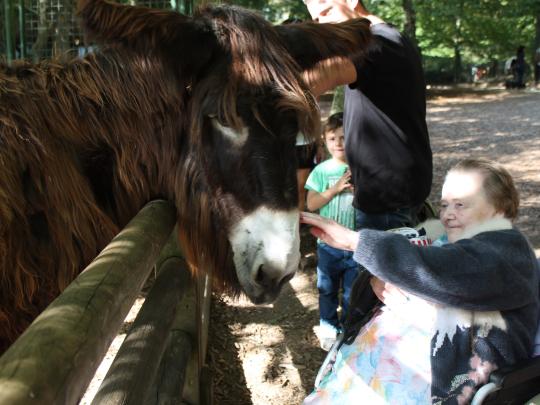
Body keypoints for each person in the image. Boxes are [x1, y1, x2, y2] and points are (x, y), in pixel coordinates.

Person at [301, 158, 540, 404]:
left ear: (499, 209)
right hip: (371, 374)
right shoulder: (452, 245)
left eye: (461, 204)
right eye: (444, 205)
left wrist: (356, 242)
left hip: (435, 383)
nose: (447, 214)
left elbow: (445, 271)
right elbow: (434, 268)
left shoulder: (508, 251)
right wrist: (379, 282)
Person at [302, 0, 432, 231]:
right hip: (390, 189)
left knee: (382, 266)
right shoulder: (385, 41)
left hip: (386, 196)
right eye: (316, 20)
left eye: (326, 11)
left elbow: (310, 83)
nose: (321, 24)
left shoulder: (379, 44)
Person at [305, 112, 358, 350]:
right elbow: (311, 204)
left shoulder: (360, 168)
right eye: (332, 138)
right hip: (328, 244)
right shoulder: (321, 171)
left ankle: (349, 329)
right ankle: (328, 327)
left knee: (351, 293)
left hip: (354, 243)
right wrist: (335, 189)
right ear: (324, 141)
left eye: (344, 137)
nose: (338, 143)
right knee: (327, 289)